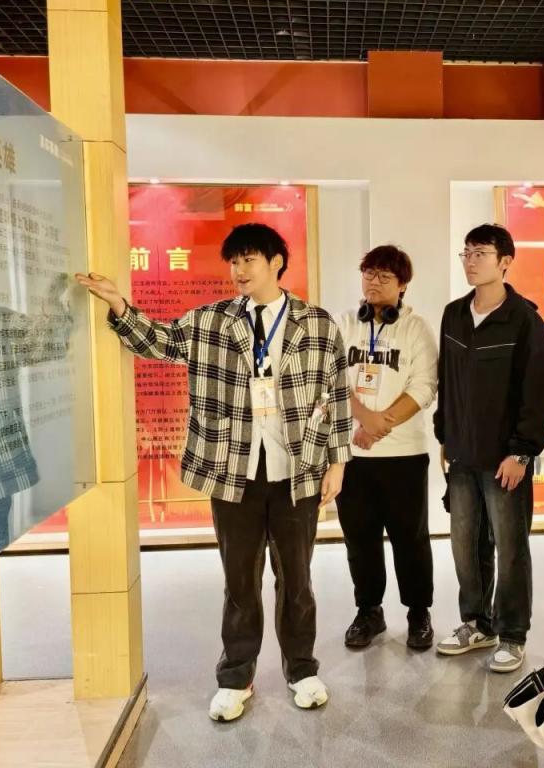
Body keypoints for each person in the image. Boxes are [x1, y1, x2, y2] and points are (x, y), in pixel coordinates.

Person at [75, 223, 352, 723]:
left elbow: (335, 394)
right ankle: (236, 675)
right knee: (239, 580)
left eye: (248, 260)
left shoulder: (317, 323)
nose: (238, 270)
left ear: (276, 262)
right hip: (232, 469)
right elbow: (160, 342)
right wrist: (118, 305)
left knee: (297, 579)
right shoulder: (211, 320)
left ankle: (302, 669)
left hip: (299, 470)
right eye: (233, 261)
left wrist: (337, 461)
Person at [433, 223, 544, 673]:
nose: (470, 261)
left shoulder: (524, 320)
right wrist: (445, 434)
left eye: (480, 253)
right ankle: (476, 623)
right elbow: (447, 380)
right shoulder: (454, 314)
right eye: (466, 253)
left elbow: (538, 392)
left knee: (510, 546)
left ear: (505, 262)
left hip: (506, 458)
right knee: (465, 545)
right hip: (462, 453)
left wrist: (522, 452)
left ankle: (512, 633)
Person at [335, 245, 438, 651]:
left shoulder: (416, 329)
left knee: (410, 539)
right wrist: (364, 419)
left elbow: (424, 386)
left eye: (384, 276)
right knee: (359, 539)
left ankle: (418, 612)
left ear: (403, 285)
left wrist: (380, 426)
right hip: (352, 455)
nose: (374, 282)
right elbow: (331, 378)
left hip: (404, 455)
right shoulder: (345, 323)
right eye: (369, 273)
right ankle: (368, 611)